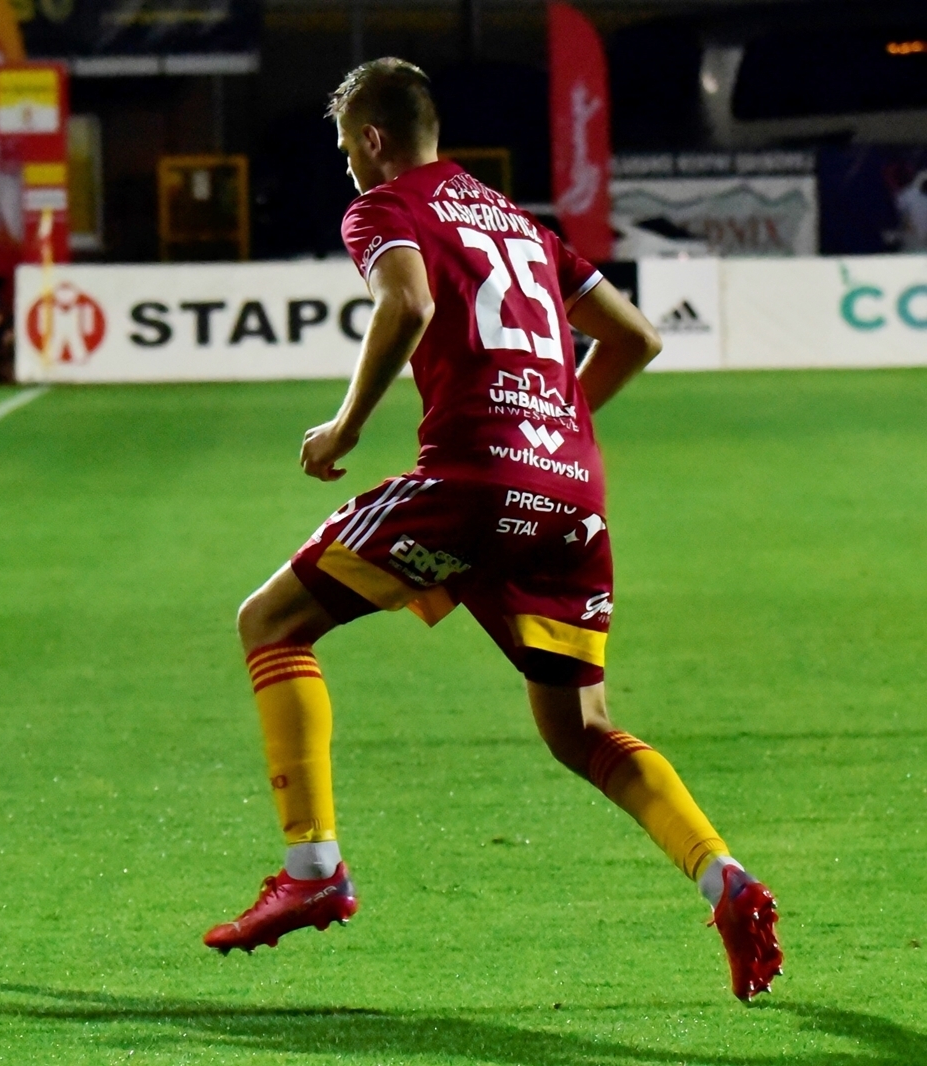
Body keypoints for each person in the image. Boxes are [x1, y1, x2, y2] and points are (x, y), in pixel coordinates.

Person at [202, 58, 782, 1001]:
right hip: (570, 495)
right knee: (582, 729)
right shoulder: (521, 223)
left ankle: (313, 871)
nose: (348, 166)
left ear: (374, 140)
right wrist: (551, 434)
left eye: (348, 149)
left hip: (470, 482)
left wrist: (344, 428)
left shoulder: (386, 207)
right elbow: (636, 337)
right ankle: (728, 881)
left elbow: (408, 303)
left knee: (270, 623)